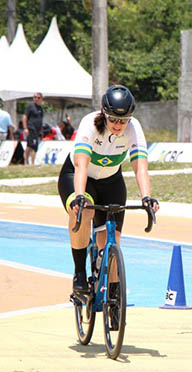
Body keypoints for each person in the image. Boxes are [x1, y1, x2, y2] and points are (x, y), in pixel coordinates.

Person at [57, 84, 159, 295]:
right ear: (104, 114)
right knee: (84, 211)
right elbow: (81, 165)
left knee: (111, 242)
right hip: (79, 177)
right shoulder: (90, 124)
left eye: (123, 120)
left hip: (111, 181)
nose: (118, 124)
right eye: (113, 119)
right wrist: (79, 196)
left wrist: (147, 197)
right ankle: (79, 274)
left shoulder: (133, 128)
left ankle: (113, 294)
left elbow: (140, 166)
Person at [23, 92, 44, 165]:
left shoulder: (40, 108)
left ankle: (32, 162)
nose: (36, 99)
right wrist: (25, 128)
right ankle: (26, 162)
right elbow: (25, 117)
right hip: (31, 129)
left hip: (37, 130)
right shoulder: (30, 106)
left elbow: (40, 119)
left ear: (41, 99)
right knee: (30, 145)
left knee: (35, 147)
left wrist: (41, 130)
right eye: (35, 97)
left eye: (38, 97)